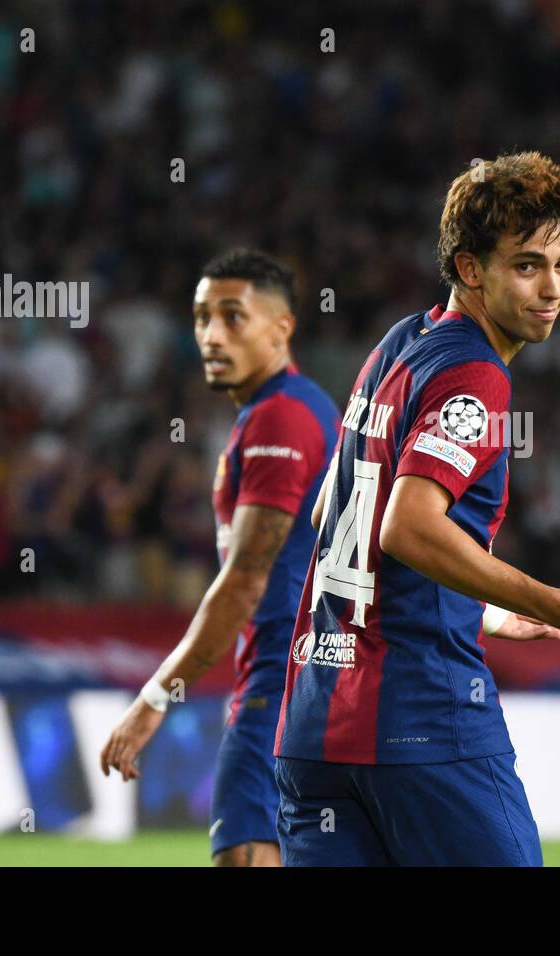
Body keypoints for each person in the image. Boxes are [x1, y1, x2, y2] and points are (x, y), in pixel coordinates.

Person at [273, 151, 560, 866]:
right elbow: (406, 525)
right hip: (421, 725)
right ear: (470, 270)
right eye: (526, 266)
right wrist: (555, 603)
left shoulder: (399, 345)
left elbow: (332, 515)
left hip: (314, 730)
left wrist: (481, 608)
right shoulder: (475, 373)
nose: (552, 287)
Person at [100, 249, 338, 867]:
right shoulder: (289, 410)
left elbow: (244, 584)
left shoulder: (282, 418)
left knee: (246, 857)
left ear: (282, 328)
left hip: (282, 681)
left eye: (233, 317)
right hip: (310, 676)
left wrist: (156, 696)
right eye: (202, 317)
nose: (211, 334)